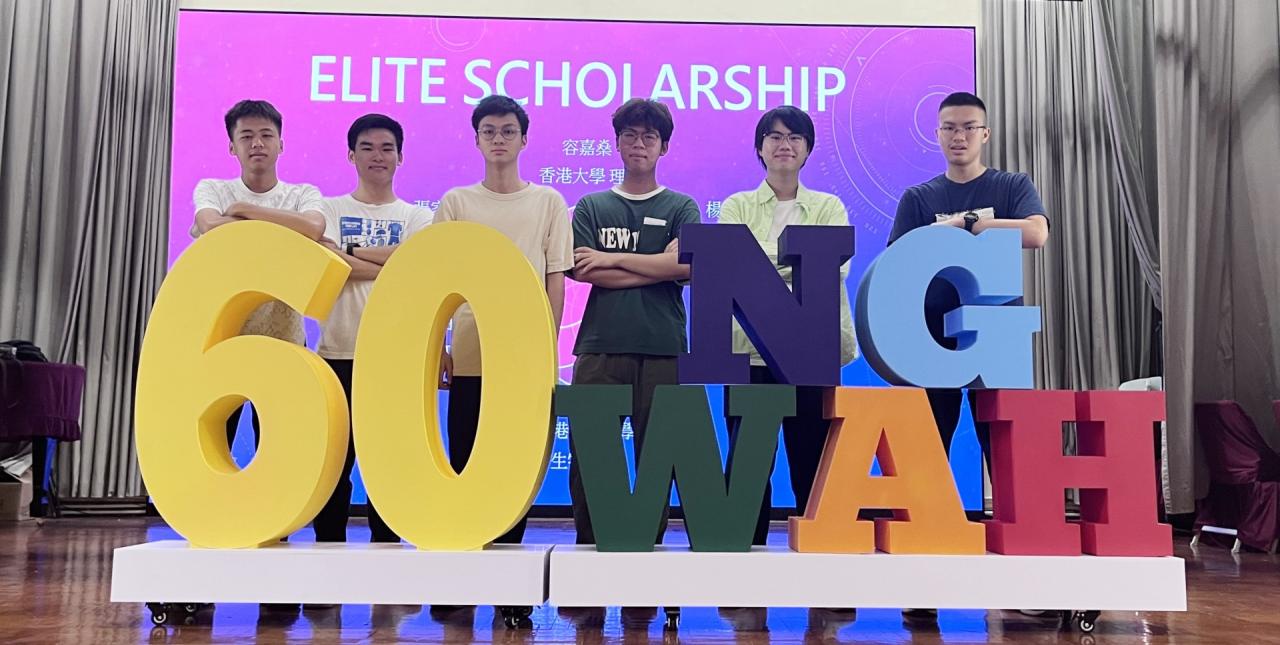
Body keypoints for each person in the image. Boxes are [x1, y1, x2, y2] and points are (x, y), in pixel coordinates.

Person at [888, 91, 1049, 623]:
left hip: (995, 339)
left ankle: (1028, 581)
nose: (959, 136)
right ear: (937, 135)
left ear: (985, 133)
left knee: (1008, 457)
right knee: (926, 459)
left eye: (968, 127)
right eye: (949, 128)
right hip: (930, 341)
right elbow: (899, 258)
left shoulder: (1011, 186)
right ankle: (923, 585)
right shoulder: (918, 196)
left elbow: (1036, 233)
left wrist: (966, 223)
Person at [434, 95, 572, 549]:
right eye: (489, 131)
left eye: (508, 131)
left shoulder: (548, 202)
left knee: (516, 463)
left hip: (523, 358)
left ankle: (511, 565)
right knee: (465, 457)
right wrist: (441, 347)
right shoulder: (456, 202)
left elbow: (555, 279)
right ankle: (465, 554)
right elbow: (439, 280)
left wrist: (546, 345)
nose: (499, 139)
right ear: (476, 140)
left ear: (524, 139)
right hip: (470, 352)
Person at [717, 105, 857, 546]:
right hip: (749, 351)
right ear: (760, 148)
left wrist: (762, 266)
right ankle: (743, 558)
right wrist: (792, 264)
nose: (784, 145)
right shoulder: (737, 206)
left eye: (795, 137)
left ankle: (817, 559)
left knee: (812, 461)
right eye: (774, 137)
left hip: (809, 351)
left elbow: (831, 270)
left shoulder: (828, 206)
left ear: (808, 149)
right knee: (748, 467)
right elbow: (732, 269)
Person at [567, 98, 700, 548]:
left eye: (649, 136)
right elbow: (585, 269)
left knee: (658, 458)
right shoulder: (592, 205)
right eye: (630, 135)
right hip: (599, 345)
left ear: (664, 147)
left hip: (662, 345)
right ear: (617, 143)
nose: (639, 144)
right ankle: (589, 549)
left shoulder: (682, 205)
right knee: (591, 456)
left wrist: (611, 258)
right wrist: (656, 265)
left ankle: (647, 549)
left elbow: (687, 266)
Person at [312, 113, 433, 548]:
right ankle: (328, 551)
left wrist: (350, 254)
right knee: (332, 463)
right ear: (351, 155)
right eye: (367, 147)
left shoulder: (418, 216)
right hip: (336, 354)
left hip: (392, 357)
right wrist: (389, 263)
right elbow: (327, 263)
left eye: (386, 148)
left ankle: (387, 552)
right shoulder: (327, 209)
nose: (377, 156)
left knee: (388, 462)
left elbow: (416, 264)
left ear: (400, 157)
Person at [190, 99, 325, 455]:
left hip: (283, 338)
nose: (257, 144)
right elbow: (210, 225)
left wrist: (244, 210)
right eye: (246, 136)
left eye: (266, 135)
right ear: (232, 146)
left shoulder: (302, 194)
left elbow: (313, 228)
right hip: (223, 337)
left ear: (282, 144)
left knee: (278, 446)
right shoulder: (213, 189)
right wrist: (285, 228)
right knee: (213, 444)